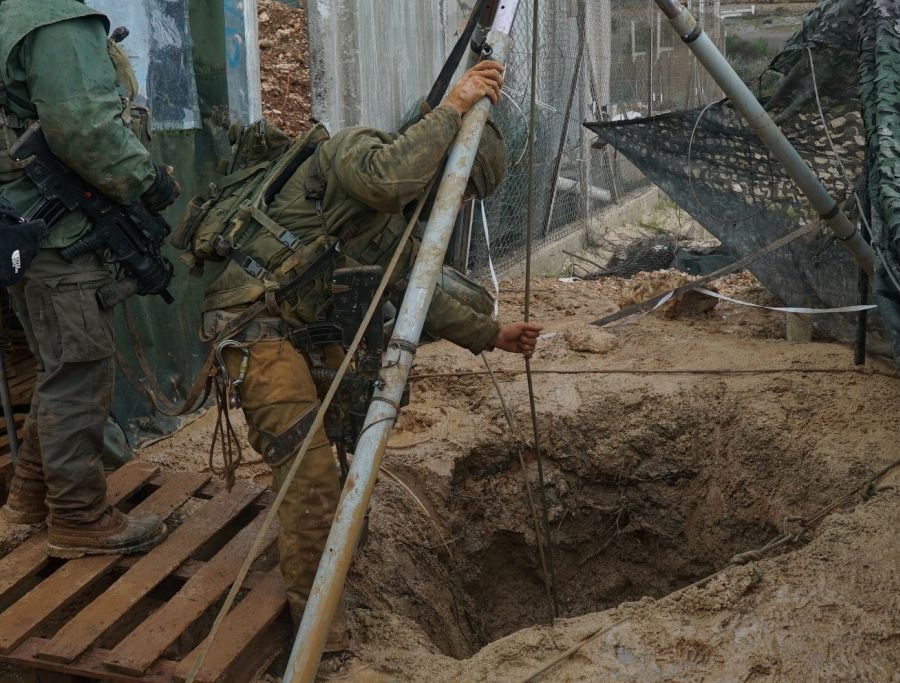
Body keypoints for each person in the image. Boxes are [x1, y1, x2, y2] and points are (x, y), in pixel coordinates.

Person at [181, 60, 540, 649]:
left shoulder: (386, 226)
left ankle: (326, 565)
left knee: (345, 437)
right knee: (311, 471)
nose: (451, 199)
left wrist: (491, 334)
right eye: (459, 181)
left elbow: (412, 283)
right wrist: (454, 107)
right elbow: (388, 181)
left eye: (465, 191)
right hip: (250, 325)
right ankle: (321, 634)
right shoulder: (355, 151)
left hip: (300, 332)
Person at [0, 0, 180, 557]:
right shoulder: (52, 19)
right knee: (78, 372)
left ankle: (28, 502)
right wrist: (146, 181)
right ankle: (80, 519)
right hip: (54, 236)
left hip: (23, 229)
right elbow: (83, 126)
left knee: (60, 371)